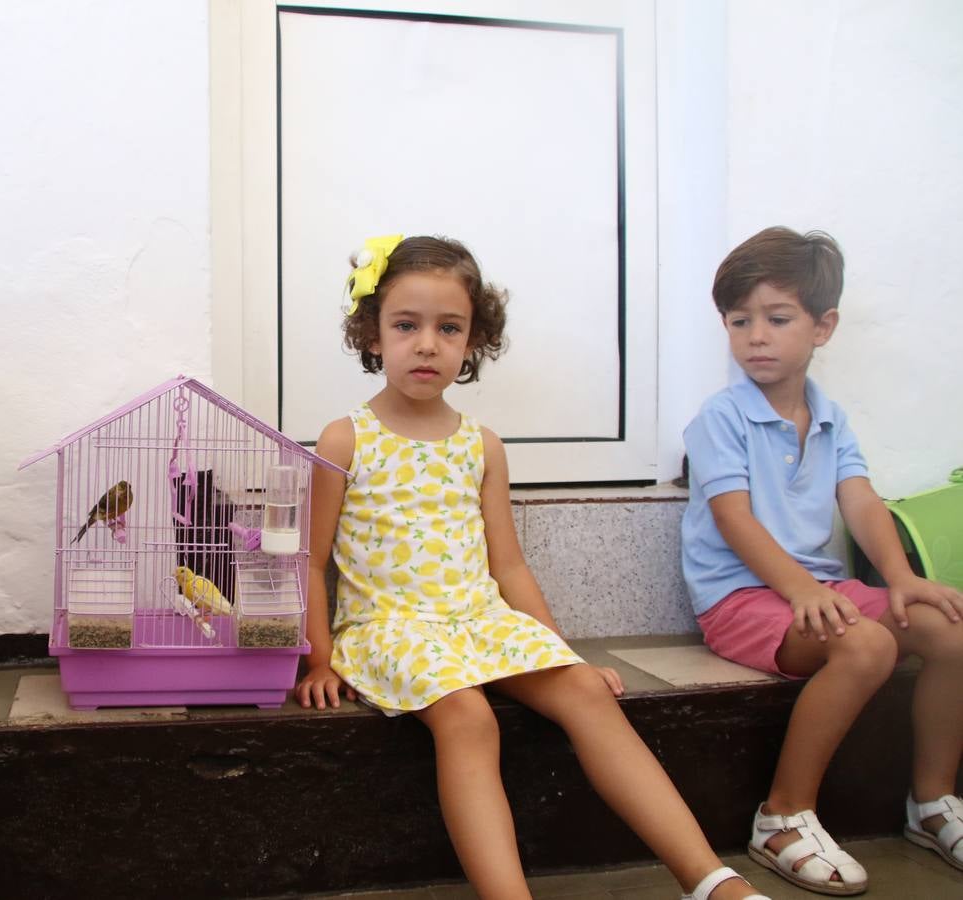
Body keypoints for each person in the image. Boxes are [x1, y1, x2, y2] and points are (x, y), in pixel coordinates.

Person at [296, 234, 767, 900]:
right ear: (373, 335)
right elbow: (312, 561)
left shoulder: (480, 444)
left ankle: (711, 878)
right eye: (407, 325)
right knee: (468, 717)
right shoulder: (346, 438)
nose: (427, 343)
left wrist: (561, 652)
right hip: (390, 627)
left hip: (477, 620)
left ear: (472, 341)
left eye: (448, 327)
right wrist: (319, 660)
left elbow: (509, 566)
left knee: (585, 694)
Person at [682, 227, 963, 895]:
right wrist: (802, 587)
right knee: (865, 647)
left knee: (949, 631)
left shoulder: (831, 417)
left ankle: (931, 803)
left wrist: (899, 577)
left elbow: (860, 499)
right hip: (742, 600)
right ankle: (781, 816)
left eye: (777, 319)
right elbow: (734, 518)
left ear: (822, 326)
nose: (756, 336)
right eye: (739, 320)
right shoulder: (720, 417)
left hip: (818, 590)